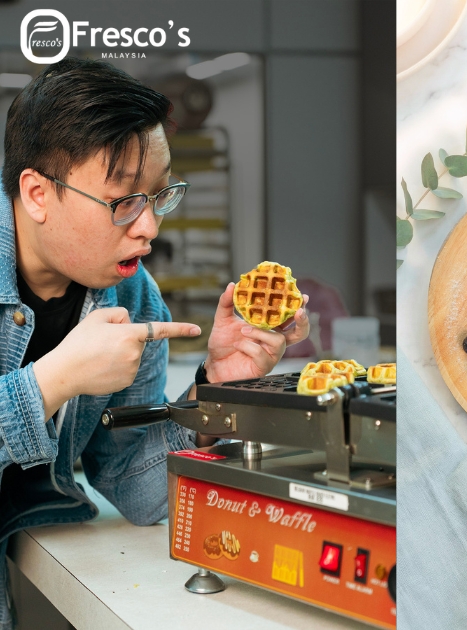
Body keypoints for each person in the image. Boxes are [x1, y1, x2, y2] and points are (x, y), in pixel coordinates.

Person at [0, 58, 308, 627]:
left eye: (160, 196)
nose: (149, 228)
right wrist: (54, 381)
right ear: (38, 194)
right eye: (123, 202)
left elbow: (139, 491)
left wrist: (217, 391)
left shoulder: (133, 298)